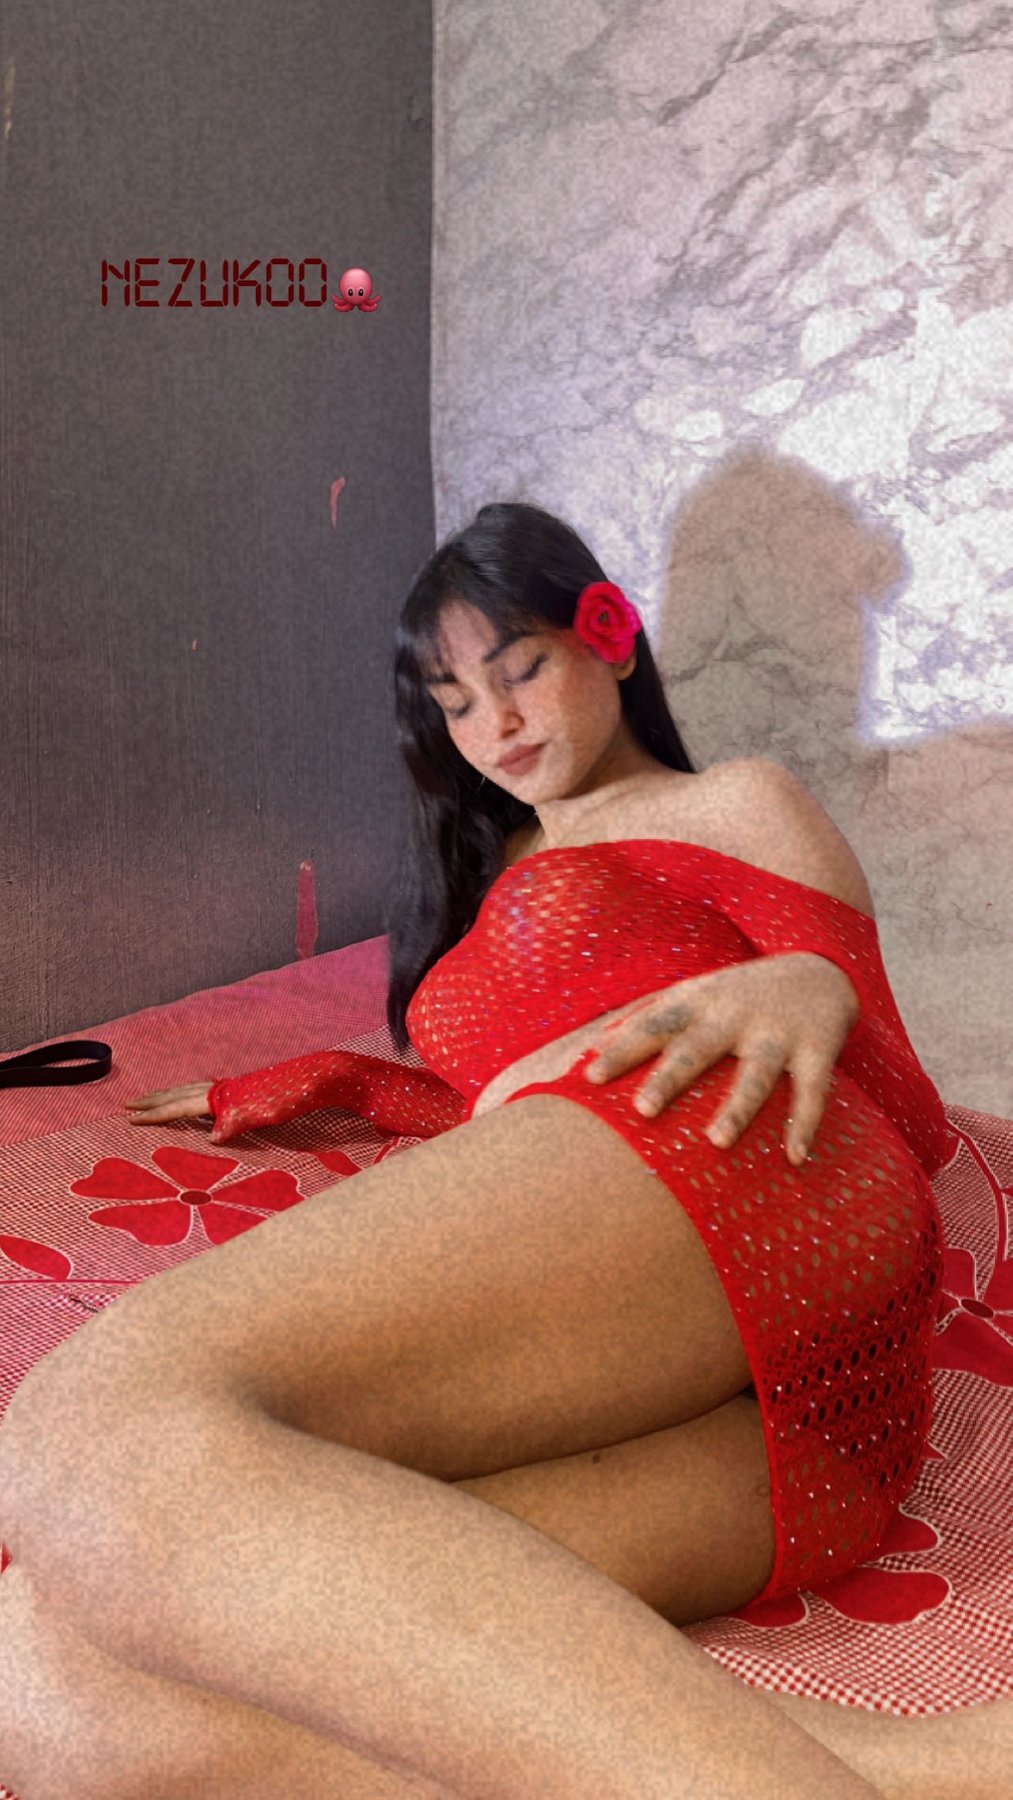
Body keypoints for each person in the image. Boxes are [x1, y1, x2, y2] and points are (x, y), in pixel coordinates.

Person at [0, 500, 996, 1799]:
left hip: (756, 1173)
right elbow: (521, 1133)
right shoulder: (490, 871)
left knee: (88, 1434)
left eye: (521, 667)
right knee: (47, 1676)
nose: (499, 722)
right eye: (457, 702)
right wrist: (333, 1082)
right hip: (776, 1447)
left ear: (610, 640)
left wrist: (810, 984)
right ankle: (942, 1768)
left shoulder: (729, 801)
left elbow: (906, 1118)